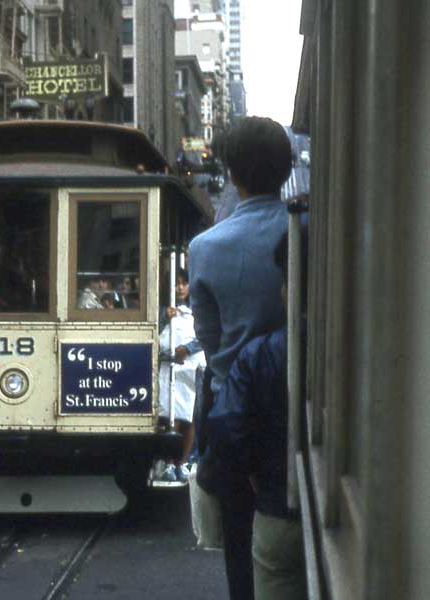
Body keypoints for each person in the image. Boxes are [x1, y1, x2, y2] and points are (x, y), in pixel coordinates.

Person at [188, 116, 293, 600]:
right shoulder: (308, 230)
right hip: (305, 404)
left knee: (242, 554)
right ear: (286, 168)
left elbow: (212, 347)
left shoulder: (205, 248)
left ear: (231, 174)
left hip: (237, 420)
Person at [207, 226, 309, 600]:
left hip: (275, 509)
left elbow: (225, 425)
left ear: (287, 291)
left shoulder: (259, 353)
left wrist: (252, 470)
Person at [156, 268, 206, 483]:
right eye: (177, 283)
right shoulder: (162, 308)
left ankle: (183, 462)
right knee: (169, 415)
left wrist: (188, 348)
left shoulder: (198, 308)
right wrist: (164, 318)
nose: (180, 287)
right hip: (169, 366)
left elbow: (204, 334)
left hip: (191, 366)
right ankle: (168, 462)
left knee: (189, 416)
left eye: (184, 283)